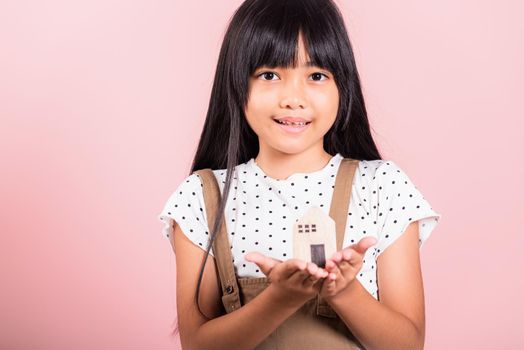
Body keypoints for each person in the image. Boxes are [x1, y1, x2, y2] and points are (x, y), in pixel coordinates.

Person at [158, 0, 441, 349]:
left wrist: (344, 290)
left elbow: (407, 344)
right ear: (236, 84)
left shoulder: (383, 187)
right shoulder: (201, 196)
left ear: (343, 86)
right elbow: (197, 345)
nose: (294, 98)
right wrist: (281, 298)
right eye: (270, 75)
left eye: (317, 76)